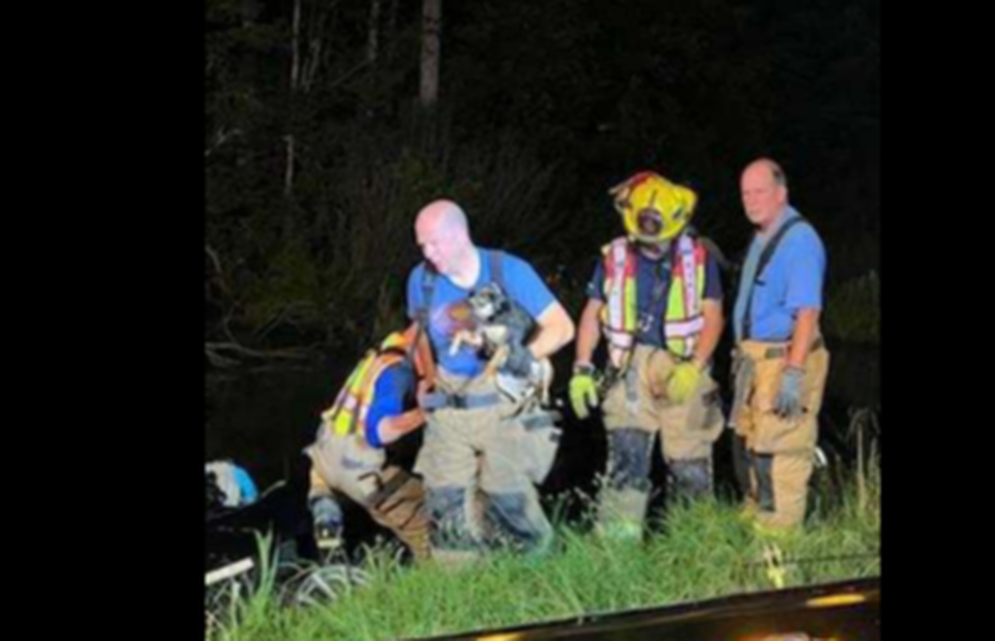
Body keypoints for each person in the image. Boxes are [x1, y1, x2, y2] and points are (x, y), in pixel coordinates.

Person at [407, 199, 574, 563]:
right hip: (449, 408)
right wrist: (426, 377)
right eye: (422, 245)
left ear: (460, 234)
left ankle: (544, 572)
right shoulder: (421, 280)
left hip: (502, 404)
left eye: (434, 243)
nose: (428, 253)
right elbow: (417, 332)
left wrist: (519, 357)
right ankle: (459, 586)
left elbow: (562, 328)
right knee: (445, 509)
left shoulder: (508, 270)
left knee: (505, 500)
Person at [567, 171, 726, 539]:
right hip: (630, 368)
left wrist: (695, 367)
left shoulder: (698, 258)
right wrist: (582, 367)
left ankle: (695, 544)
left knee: (689, 464)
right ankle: (617, 549)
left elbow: (714, 316)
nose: (651, 245)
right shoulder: (614, 257)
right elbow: (592, 313)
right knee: (627, 458)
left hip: (682, 364)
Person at [728, 158, 830, 530]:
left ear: (781, 193)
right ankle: (756, 524)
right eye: (745, 193)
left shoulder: (799, 241)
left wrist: (793, 373)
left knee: (781, 451)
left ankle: (780, 542)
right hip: (755, 363)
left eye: (760, 191)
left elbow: (808, 312)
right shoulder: (762, 235)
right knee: (751, 443)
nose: (751, 200)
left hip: (783, 359)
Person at [303, 325, 432, 560]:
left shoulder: (374, 359)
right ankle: (439, 571)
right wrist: (427, 413)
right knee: (424, 523)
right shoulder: (399, 374)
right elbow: (380, 431)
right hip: (362, 471)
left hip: (324, 457)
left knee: (326, 483)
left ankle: (326, 510)